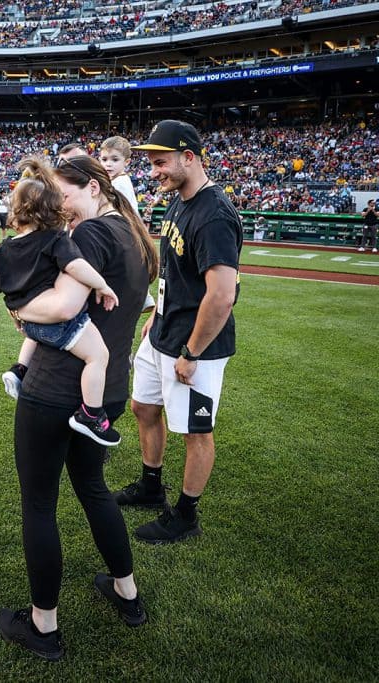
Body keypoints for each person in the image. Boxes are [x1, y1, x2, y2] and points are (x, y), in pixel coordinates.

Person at [0, 152, 158, 661]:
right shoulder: (131, 232)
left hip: (56, 389)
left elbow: (62, 307)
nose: (58, 207)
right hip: (102, 390)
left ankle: (44, 627)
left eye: (63, 194)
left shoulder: (87, 235)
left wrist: (17, 308)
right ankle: (127, 594)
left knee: (39, 503)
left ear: (91, 187)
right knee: (92, 487)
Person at [115, 120, 242, 545]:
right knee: (143, 408)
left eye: (161, 162)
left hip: (195, 346)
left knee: (195, 431)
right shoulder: (180, 201)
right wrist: (158, 315)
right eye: (151, 164)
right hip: (163, 333)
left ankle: (185, 514)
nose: (154, 172)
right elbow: (174, 273)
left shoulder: (215, 214)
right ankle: (152, 485)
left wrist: (192, 351)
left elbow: (222, 295)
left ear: (189, 157)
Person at [0, 157, 123, 447]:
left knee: (34, 333)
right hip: (61, 325)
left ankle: (19, 368)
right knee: (98, 356)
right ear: (54, 208)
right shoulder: (55, 240)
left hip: (30, 327)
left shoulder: (5, 247)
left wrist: (17, 307)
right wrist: (102, 284)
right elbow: (76, 266)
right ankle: (91, 413)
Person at [100, 136, 155, 313]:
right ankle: (144, 298)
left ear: (127, 162)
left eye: (115, 160)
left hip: (128, 228)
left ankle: (143, 298)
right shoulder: (116, 181)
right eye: (104, 159)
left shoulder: (119, 182)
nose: (109, 164)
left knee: (126, 267)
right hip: (128, 228)